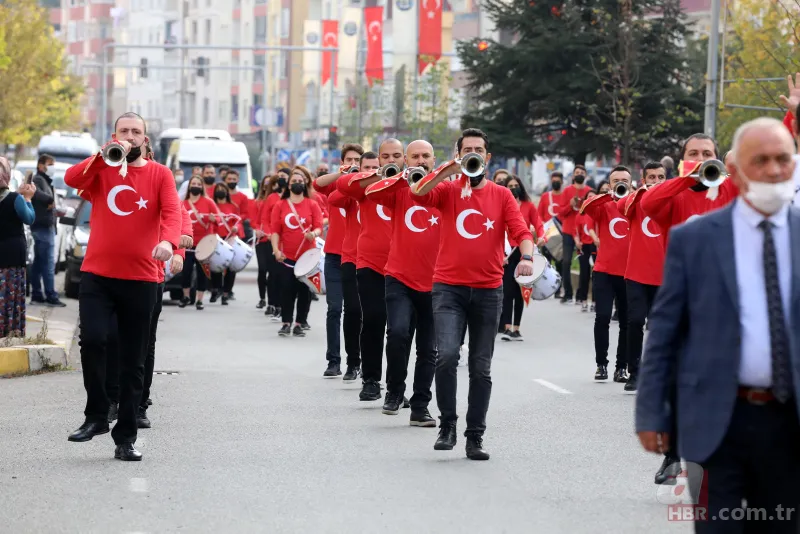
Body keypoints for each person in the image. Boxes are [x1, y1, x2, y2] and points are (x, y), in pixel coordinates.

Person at [636, 118, 800, 534]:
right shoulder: (696, 236)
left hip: (787, 420)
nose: (774, 170)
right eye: (760, 160)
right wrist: (653, 411)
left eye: (783, 159)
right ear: (742, 169)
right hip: (717, 415)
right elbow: (665, 332)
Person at [411, 128, 535, 460]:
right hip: (448, 288)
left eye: (479, 149)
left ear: (487, 156)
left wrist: (526, 257)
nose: (474, 154)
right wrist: (448, 169)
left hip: (488, 291)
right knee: (448, 355)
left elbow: (521, 232)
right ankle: (447, 426)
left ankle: (474, 435)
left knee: (481, 367)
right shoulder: (448, 190)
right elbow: (418, 193)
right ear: (459, 153)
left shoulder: (502, 195)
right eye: (467, 149)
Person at [65, 112, 181, 461]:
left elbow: (173, 213)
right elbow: (72, 178)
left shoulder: (160, 174)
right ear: (114, 135)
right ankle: (97, 416)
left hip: (142, 278)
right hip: (98, 274)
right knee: (94, 341)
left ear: (145, 139)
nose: (130, 137)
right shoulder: (102, 169)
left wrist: (169, 243)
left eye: (136, 132)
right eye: (124, 132)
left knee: (133, 361)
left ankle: (125, 436)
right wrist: (101, 156)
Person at [365, 140, 440, 425]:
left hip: (436, 281)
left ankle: (421, 406)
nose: (420, 161)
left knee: (428, 348)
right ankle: (395, 392)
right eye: (415, 157)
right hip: (398, 276)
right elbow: (371, 193)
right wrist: (400, 177)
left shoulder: (445, 191)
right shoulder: (399, 190)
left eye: (425, 156)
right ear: (407, 161)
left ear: (434, 159)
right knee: (397, 333)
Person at [337, 140, 401, 402]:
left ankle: (396, 386)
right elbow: (335, 190)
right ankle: (371, 380)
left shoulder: (412, 185)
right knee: (373, 319)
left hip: (402, 266)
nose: (389, 161)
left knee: (400, 330)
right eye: (384, 156)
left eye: (396, 156)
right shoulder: (366, 186)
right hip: (369, 264)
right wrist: (368, 174)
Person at [325, 151, 380, 381]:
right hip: (350, 258)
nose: (369, 171)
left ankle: (375, 369)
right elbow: (333, 199)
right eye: (364, 167)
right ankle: (352, 362)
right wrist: (353, 179)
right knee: (353, 311)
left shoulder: (387, 191)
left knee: (376, 318)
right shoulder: (353, 194)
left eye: (373, 167)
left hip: (378, 262)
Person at [313, 143, 364, 378]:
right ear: (343, 162)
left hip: (360, 256)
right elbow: (317, 184)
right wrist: (342, 174)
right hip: (335, 255)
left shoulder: (369, 186)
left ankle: (357, 360)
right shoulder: (336, 183)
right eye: (349, 160)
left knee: (358, 311)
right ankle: (333, 360)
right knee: (334, 309)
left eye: (357, 161)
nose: (354, 165)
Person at [617, 162, 667, 393]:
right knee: (636, 321)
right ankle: (634, 372)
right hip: (636, 274)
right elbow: (620, 207)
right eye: (652, 177)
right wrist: (641, 193)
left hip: (665, 276)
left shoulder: (672, 200)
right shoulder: (637, 201)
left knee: (660, 327)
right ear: (644, 180)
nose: (656, 181)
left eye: (660, 177)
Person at [579, 166, 631, 383]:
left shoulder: (636, 204)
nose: (621, 183)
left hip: (629, 272)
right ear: (609, 184)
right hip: (604, 271)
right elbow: (585, 208)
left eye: (624, 180)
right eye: (616, 180)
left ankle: (622, 368)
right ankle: (602, 364)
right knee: (602, 317)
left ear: (631, 183)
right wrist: (607, 195)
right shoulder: (603, 205)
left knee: (627, 322)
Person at [640, 134, 738, 240]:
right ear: (682, 161)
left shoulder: (730, 186)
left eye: (707, 154)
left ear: (716, 159)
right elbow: (647, 203)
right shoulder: (672, 194)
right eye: (693, 154)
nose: (700, 159)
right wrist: (689, 177)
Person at [270, 166, 323, 337]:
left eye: (300, 181)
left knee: (304, 292)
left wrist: (313, 234)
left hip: (308, 258)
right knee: (287, 290)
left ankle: (300, 322)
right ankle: (286, 322)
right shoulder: (280, 205)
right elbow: (275, 231)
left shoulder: (312, 204)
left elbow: (319, 227)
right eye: (294, 181)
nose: (297, 184)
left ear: (305, 183)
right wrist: (276, 250)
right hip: (288, 257)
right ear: (289, 184)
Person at [499, 175, 545, 340]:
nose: (513, 188)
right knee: (508, 290)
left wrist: (541, 236)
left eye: (515, 185)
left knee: (521, 290)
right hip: (507, 251)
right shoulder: (502, 204)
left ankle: (516, 328)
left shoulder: (529, 206)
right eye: (509, 185)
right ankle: (506, 326)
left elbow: (538, 223)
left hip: (523, 250)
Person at [0, 157, 36, 337]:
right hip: (12, 255)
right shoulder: (15, 199)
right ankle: (8, 330)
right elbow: (29, 218)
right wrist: (28, 198)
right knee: (9, 293)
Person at [29, 153, 66, 307]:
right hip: (43, 227)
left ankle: (37, 294)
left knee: (38, 263)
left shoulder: (45, 180)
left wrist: (53, 205)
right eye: (50, 164)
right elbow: (38, 194)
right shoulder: (38, 179)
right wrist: (50, 201)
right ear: (41, 165)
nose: (52, 167)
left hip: (45, 227)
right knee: (48, 263)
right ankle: (51, 295)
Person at [180, 176, 217, 310]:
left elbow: (219, 220)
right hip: (187, 243)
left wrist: (213, 220)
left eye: (198, 184)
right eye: (193, 183)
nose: (195, 186)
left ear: (202, 187)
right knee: (186, 271)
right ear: (189, 186)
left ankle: (200, 299)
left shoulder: (208, 202)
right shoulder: (182, 203)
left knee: (203, 272)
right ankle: (185, 296)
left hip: (204, 244)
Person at [556, 167, 591, 303]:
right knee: (566, 262)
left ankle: (581, 295)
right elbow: (561, 213)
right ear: (573, 176)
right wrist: (570, 205)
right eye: (577, 173)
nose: (579, 175)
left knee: (584, 264)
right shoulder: (567, 191)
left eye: (582, 173)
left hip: (584, 234)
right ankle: (568, 293)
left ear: (586, 175)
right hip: (568, 232)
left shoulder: (589, 191)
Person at [259, 173, 288, 319]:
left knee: (285, 277)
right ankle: (273, 303)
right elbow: (264, 218)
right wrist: (269, 233)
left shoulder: (292, 198)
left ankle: (283, 306)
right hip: (273, 241)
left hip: (289, 243)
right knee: (274, 275)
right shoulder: (272, 198)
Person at [209, 182, 243, 305]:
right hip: (217, 239)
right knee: (215, 266)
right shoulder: (212, 205)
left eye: (223, 189)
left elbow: (238, 221)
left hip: (229, 238)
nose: (221, 191)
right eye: (218, 189)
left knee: (230, 267)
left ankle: (226, 293)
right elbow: (210, 223)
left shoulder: (233, 206)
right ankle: (215, 289)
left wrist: (236, 228)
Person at [253, 175, 280, 311]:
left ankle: (272, 302)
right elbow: (258, 220)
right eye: (269, 184)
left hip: (274, 241)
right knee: (263, 270)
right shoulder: (262, 201)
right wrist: (258, 230)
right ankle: (263, 298)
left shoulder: (279, 199)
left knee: (273, 273)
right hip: (262, 241)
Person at [574, 191, 597, 313]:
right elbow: (575, 232)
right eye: (589, 197)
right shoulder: (580, 215)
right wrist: (577, 241)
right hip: (584, 247)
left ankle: (594, 301)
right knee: (584, 274)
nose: (591, 199)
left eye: (593, 196)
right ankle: (583, 300)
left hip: (595, 246)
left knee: (596, 276)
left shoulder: (599, 213)